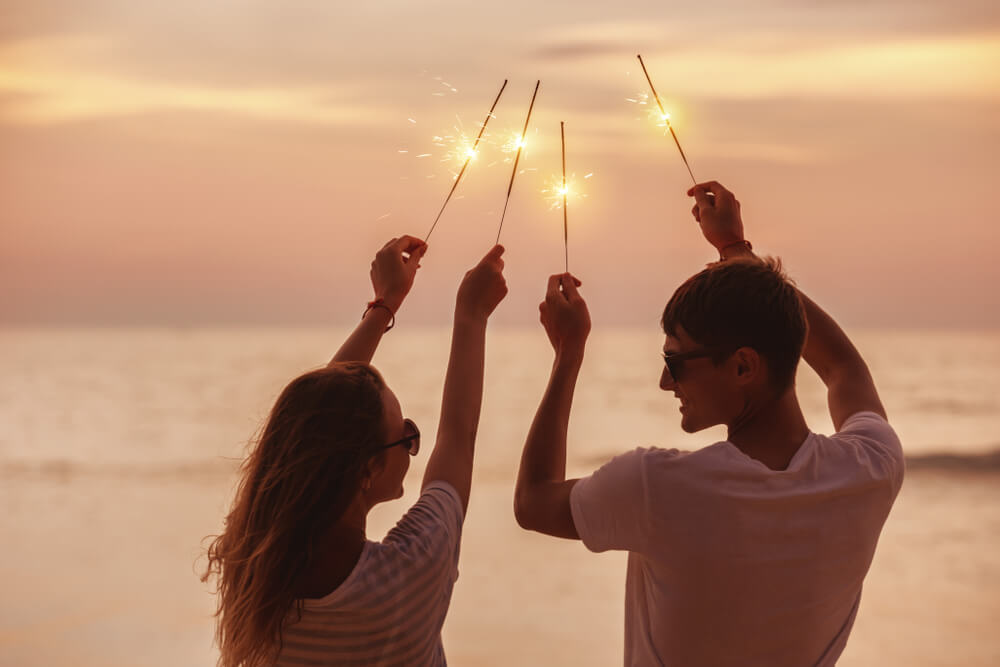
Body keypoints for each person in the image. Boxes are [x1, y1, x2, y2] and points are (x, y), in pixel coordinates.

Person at [514, 182, 904, 666]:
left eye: (676, 362)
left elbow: (533, 501)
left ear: (743, 367)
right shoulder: (870, 470)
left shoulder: (658, 489)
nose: (664, 381)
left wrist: (568, 355)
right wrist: (737, 254)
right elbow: (844, 366)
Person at [202, 236, 508, 667]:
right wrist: (472, 314)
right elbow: (458, 435)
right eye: (405, 435)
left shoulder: (252, 566)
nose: (411, 443)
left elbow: (312, 421)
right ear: (366, 470)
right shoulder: (407, 577)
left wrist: (385, 305)